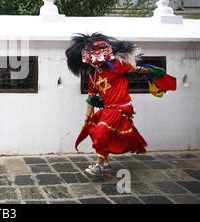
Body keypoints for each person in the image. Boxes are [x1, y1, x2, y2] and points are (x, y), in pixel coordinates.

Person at [65, 33, 174, 176]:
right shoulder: (93, 75)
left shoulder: (116, 66)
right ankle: (106, 162)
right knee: (92, 129)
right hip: (108, 108)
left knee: (101, 131)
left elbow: (134, 68)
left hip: (121, 107)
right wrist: (87, 116)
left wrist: (153, 72)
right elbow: (91, 97)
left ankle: (99, 165)